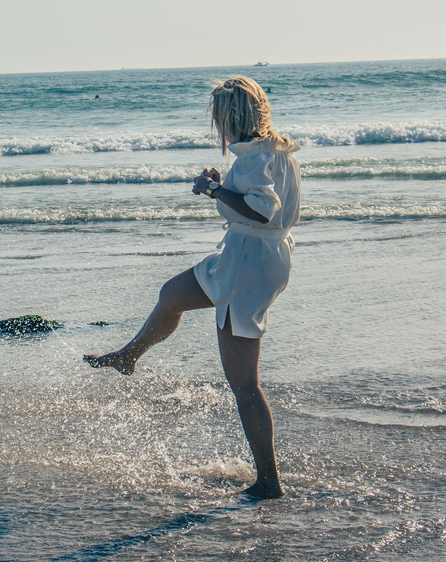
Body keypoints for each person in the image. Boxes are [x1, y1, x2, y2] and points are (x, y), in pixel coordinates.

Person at [85, 76, 301, 499]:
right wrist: (224, 187)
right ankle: (129, 356)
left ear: (231, 117)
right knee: (172, 296)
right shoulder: (278, 151)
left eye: (219, 117)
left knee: (245, 384)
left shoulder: (255, 157)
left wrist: (216, 189)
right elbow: (266, 205)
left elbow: (261, 210)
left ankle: (268, 483)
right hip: (260, 256)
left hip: (247, 262)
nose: (217, 125)